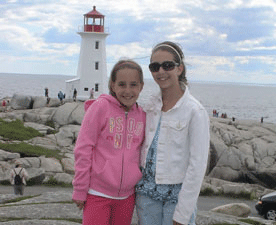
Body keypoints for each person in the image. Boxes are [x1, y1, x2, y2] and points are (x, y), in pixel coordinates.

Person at [135, 41, 210, 225]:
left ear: (179, 69)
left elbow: (197, 166)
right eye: (154, 67)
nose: (161, 71)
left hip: (176, 199)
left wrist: (183, 214)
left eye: (167, 65)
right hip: (146, 196)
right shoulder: (150, 107)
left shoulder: (195, 111)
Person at [72, 59, 146, 225]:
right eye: (122, 84)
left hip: (127, 197)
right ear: (112, 85)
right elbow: (83, 149)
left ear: (141, 86)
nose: (128, 90)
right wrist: (80, 189)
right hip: (97, 193)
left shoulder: (142, 115)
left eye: (133, 84)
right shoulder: (100, 108)